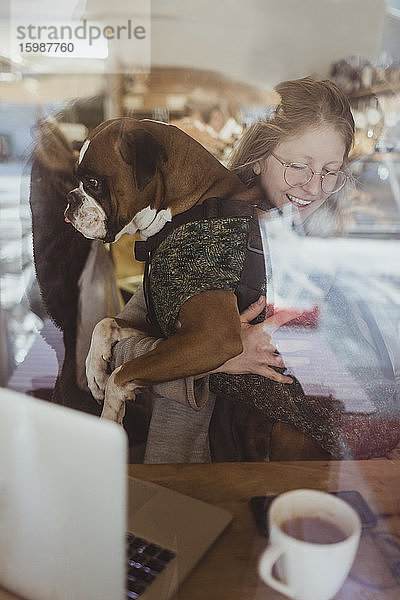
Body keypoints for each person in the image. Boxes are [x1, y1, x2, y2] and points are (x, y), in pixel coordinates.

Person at [103, 77, 400, 462]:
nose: (313, 187)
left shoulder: (325, 244)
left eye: (331, 171)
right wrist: (217, 356)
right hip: (203, 458)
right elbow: (118, 353)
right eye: (298, 166)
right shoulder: (202, 233)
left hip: (302, 461)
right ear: (259, 157)